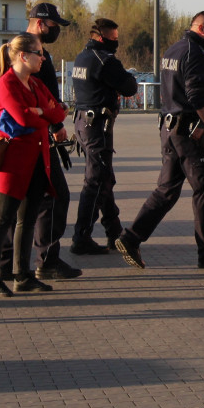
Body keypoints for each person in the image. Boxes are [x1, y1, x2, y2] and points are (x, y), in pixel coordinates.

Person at [116, 11, 204, 270]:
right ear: (201, 28)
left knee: (166, 190)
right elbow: (197, 97)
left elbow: (180, 83)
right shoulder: (193, 54)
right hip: (191, 131)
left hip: (170, 129)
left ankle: (131, 238)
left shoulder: (174, 50)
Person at [0, 2, 82, 281]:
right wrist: (54, 122)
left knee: (23, 204)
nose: (56, 29)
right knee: (52, 198)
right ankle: (41, 260)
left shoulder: (37, 54)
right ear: (39, 23)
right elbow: (32, 106)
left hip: (35, 139)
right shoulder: (26, 56)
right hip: (30, 141)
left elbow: (50, 104)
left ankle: (10, 264)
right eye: (54, 25)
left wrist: (51, 115)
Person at [0, 33, 68, 297]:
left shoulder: (36, 84)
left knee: (27, 220)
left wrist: (40, 112)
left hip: (37, 161)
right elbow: (20, 118)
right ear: (23, 55)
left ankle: (23, 275)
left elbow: (60, 111)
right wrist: (44, 113)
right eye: (39, 53)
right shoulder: (6, 84)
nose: (43, 58)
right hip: (12, 164)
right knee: (2, 219)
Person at [69, 18, 138, 255]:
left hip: (84, 122)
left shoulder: (81, 57)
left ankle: (113, 232)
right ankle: (81, 237)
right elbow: (129, 87)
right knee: (96, 181)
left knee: (103, 178)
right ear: (101, 37)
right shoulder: (103, 60)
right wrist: (127, 76)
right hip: (96, 125)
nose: (115, 44)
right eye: (113, 39)